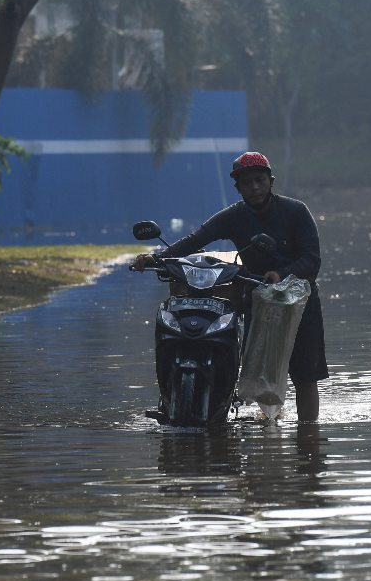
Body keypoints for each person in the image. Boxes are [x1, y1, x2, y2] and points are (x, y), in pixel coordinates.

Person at [131, 151, 328, 421]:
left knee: (304, 375)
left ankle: (308, 436)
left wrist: (281, 274)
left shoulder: (296, 212)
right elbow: (197, 238)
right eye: (247, 183)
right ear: (238, 188)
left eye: (260, 180)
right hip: (258, 299)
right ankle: (266, 424)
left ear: (271, 182)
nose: (255, 187)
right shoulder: (234, 216)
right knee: (259, 371)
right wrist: (158, 257)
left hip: (299, 304)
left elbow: (312, 260)